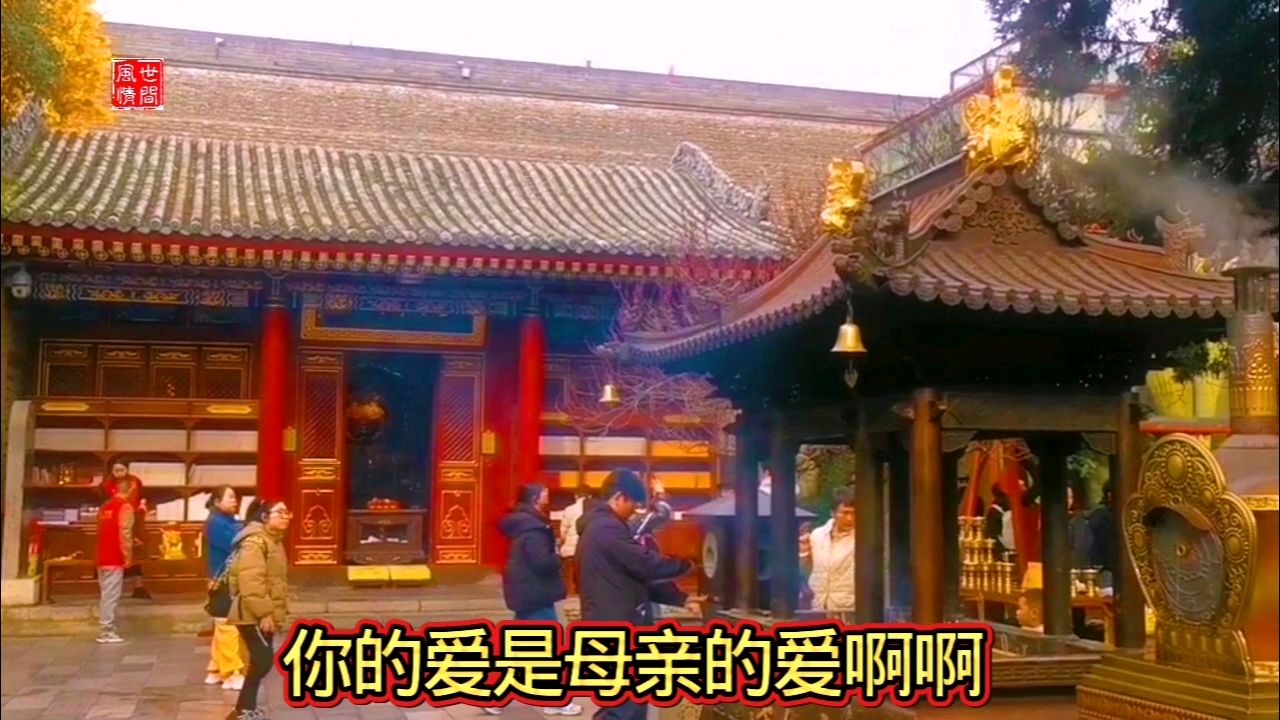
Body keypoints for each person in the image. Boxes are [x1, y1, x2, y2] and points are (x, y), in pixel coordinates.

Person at [577, 469, 703, 720]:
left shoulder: (604, 527)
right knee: (621, 706)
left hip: (614, 621)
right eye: (633, 505)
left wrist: (681, 598)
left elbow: (636, 575)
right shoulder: (605, 528)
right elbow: (645, 564)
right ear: (620, 497)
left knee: (631, 703)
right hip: (613, 626)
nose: (634, 511)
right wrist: (688, 564)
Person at [489, 484, 583, 717]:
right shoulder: (534, 529)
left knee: (519, 651)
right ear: (534, 500)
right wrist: (558, 555)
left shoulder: (522, 525)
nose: (547, 499)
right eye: (544, 496)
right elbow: (542, 562)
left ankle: (495, 698)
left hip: (526, 594)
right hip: (536, 595)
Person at [226, 498, 291, 720]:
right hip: (251, 613)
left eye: (287, 512)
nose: (285, 516)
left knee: (259, 661)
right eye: (280, 512)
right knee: (263, 660)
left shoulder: (273, 540)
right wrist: (264, 613)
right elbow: (251, 582)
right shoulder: (255, 542)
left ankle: (245, 709)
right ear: (264, 517)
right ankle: (242, 710)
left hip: (263, 611)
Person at [203, 486, 246, 690]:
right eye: (230, 497)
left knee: (222, 624)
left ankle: (215, 669)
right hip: (224, 580)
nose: (234, 501)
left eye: (235, 497)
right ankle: (231, 672)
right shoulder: (216, 523)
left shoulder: (228, 521)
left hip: (227, 579)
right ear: (217, 501)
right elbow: (235, 544)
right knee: (228, 625)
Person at [95, 475, 136, 643]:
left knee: (105, 594)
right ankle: (107, 630)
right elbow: (124, 532)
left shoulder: (105, 506)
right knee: (111, 596)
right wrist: (128, 555)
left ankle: (107, 628)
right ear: (130, 489)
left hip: (101, 555)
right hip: (115, 556)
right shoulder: (125, 507)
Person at [803, 487, 856, 612]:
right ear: (833, 512)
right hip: (818, 606)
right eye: (845, 513)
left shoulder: (862, 538)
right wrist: (803, 552)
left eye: (854, 513)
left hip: (848, 607)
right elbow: (808, 569)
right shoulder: (817, 535)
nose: (850, 518)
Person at [104, 462, 151, 600]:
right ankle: (113, 591)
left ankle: (139, 587)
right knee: (117, 555)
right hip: (114, 521)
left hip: (135, 521)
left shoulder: (135, 481)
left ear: (127, 469)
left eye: (121, 469)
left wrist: (142, 505)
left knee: (134, 554)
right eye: (116, 470)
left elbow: (143, 496)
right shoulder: (107, 484)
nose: (119, 472)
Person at [559, 489, 589, 595]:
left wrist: (563, 542)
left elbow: (563, 531)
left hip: (570, 550)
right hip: (586, 550)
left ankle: (570, 591)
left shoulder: (569, 509)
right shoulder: (592, 509)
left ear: (576, 496)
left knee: (569, 573)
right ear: (589, 497)